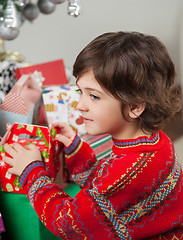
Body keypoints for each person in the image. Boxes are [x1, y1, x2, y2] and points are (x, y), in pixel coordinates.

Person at [3, 31, 183, 239]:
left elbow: (68, 223)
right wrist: (77, 152)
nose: (80, 105)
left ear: (135, 107)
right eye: (81, 92)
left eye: (94, 96)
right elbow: (106, 195)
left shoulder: (129, 171)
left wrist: (31, 172)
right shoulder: (157, 142)